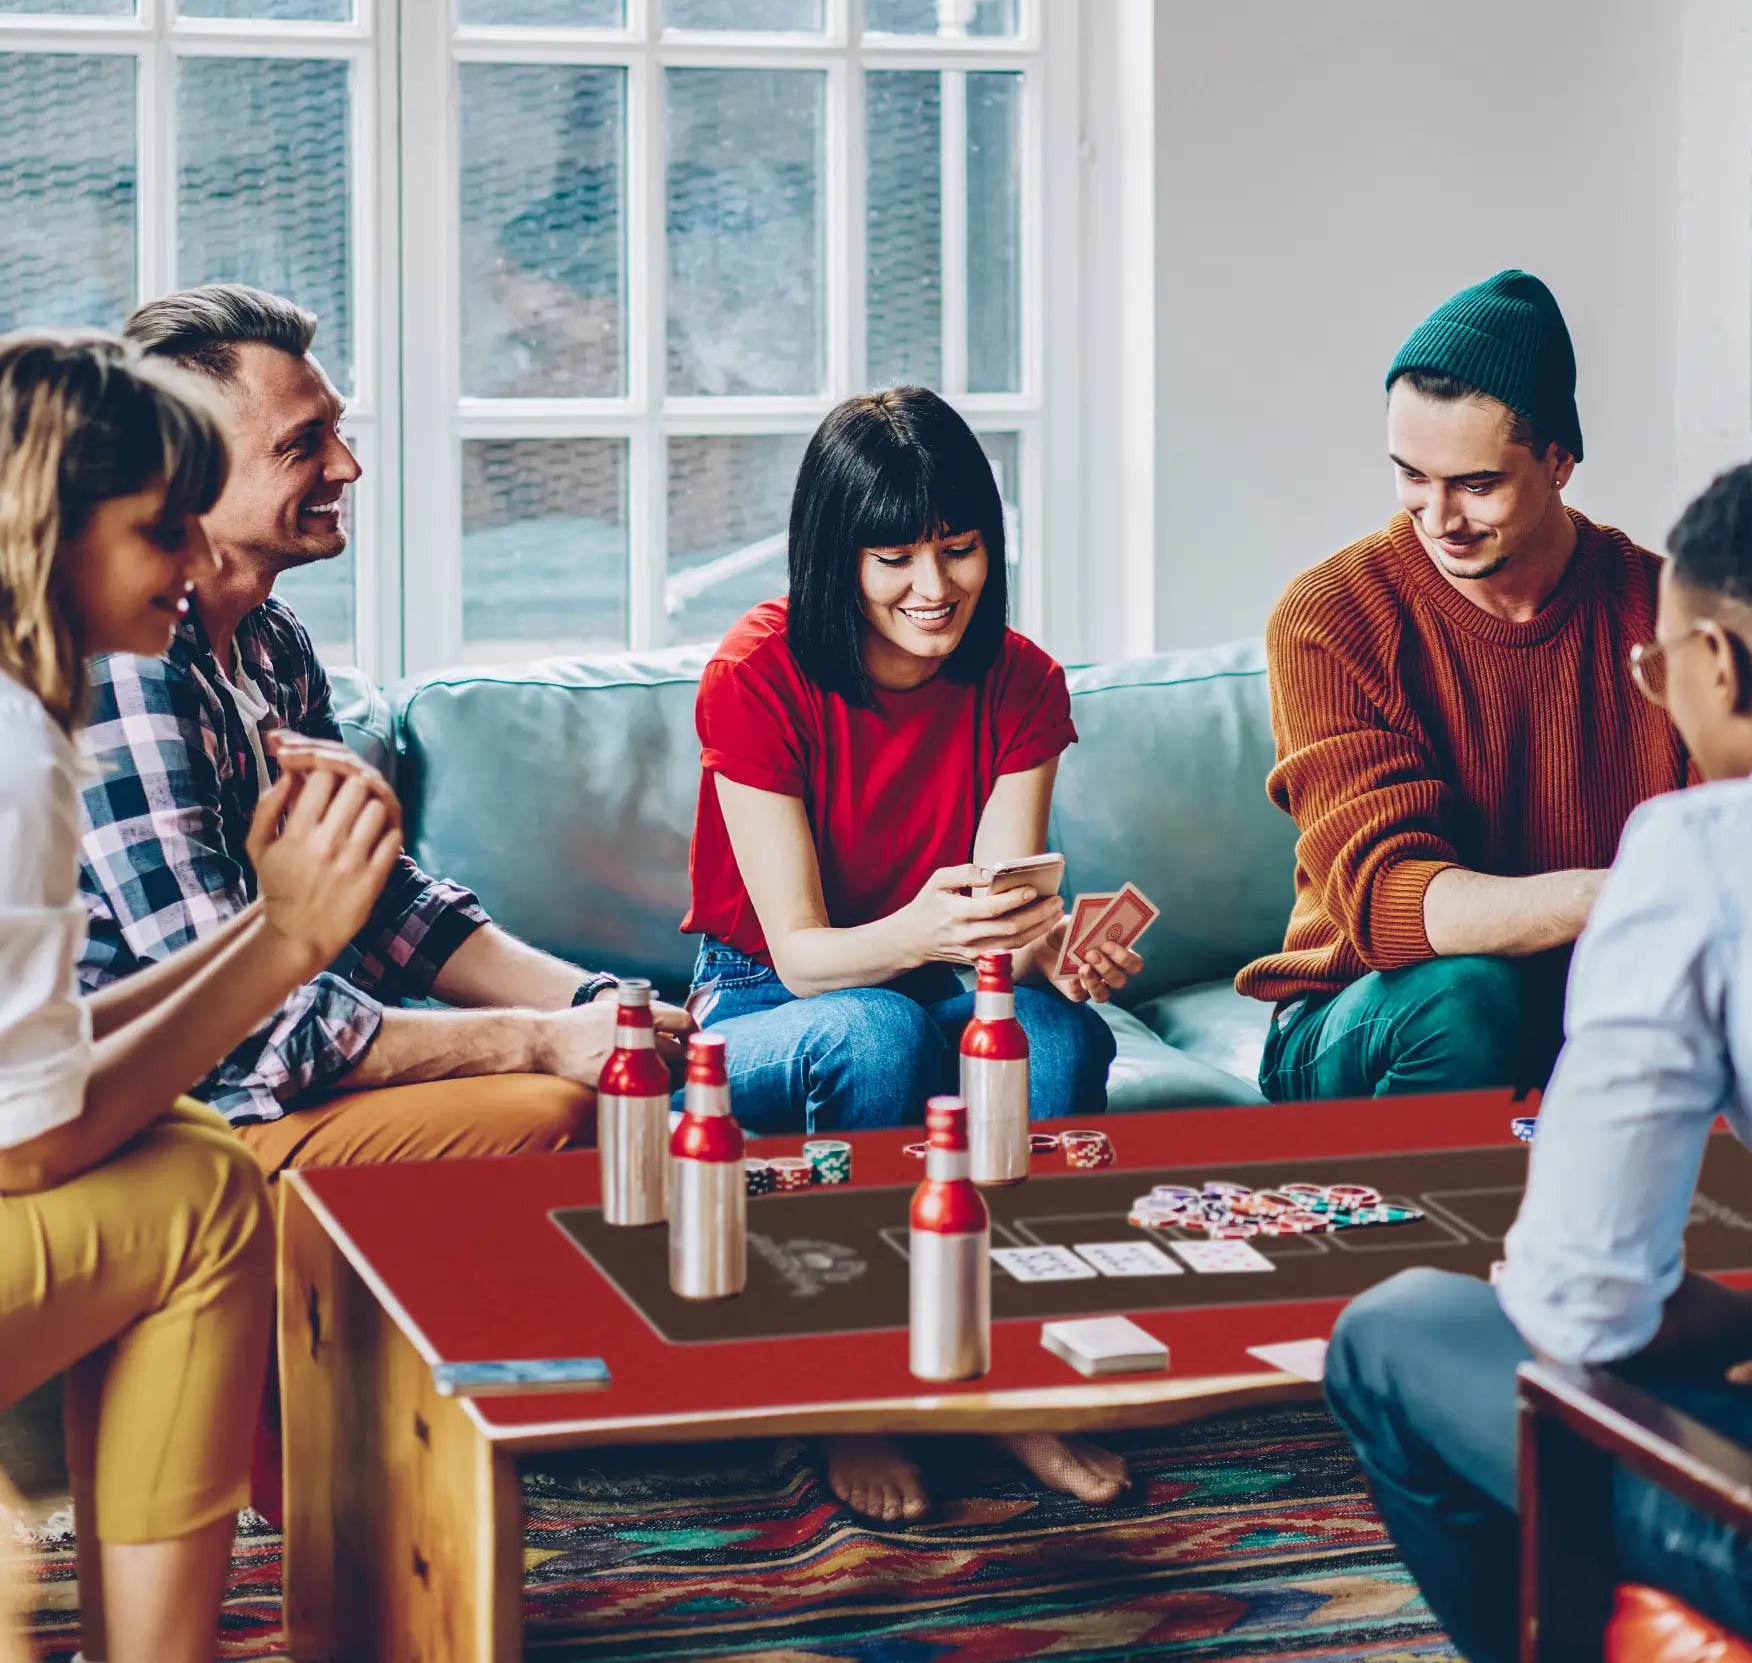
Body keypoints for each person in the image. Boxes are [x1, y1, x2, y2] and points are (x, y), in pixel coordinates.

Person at [1324, 454, 1752, 1663]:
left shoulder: (1702, 851)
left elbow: (1578, 1311)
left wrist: (1700, 1318)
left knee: (1398, 1332)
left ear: (1719, 664)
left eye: (1659, 664)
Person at [75, 284, 691, 1180]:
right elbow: (235, 1028)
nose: (348, 466)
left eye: (337, 428)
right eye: (303, 444)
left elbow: (383, 903)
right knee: (554, 1106)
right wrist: (540, 1039)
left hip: (278, 1061)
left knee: (607, 1072)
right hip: (167, 1110)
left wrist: (605, 1004)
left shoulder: (272, 641)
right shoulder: (129, 670)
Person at [0, 334, 400, 1663]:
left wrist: (285, 933)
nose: (190, 560)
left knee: (190, 1151)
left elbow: (41, 1055)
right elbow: (31, 1144)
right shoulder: (19, 744)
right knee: (206, 1194)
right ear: (50, 532)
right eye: (158, 529)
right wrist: (284, 944)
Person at [685, 384, 1137, 1522]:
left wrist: (1051, 954)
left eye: (958, 547)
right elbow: (800, 957)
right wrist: (929, 933)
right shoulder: (756, 673)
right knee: (872, 1031)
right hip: (766, 996)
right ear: (833, 556)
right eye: (892, 557)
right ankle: (854, 1386)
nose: (933, 586)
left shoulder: (1022, 681)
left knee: (1058, 1035)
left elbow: (997, 930)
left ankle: (1008, 1374)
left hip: (940, 977)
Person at [1241, 270, 1688, 1099]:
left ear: (1559, 461)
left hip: (1604, 1002)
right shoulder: (1329, 616)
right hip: (1373, 1010)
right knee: (1470, 999)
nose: (1440, 518)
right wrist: (1613, 895)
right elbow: (1388, 903)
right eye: (1412, 475)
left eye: (1476, 485)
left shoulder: (1673, 614)